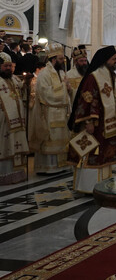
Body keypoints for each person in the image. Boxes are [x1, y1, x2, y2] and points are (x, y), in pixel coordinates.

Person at [67, 46, 116, 193]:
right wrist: (89, 121)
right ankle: (89, 186)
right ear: (105, 60)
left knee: (105, 153)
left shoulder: (109, 75)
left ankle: (104, 184)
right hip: (95, 124)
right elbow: (87, 98)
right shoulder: (93, 76)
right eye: (114, 59)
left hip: (107, 123)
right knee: (93, 153)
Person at [31, 43, 71, 174]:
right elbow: (46, 94)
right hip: (49, 113)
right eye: (60, 59)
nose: (63, 61)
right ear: (53, 59)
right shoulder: (44, 74)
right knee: (50, 139)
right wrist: (64, 87)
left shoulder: (60, 72)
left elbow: (65, 91)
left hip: (61, 112)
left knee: (61, 138)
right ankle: (48, 167)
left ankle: (61, 166)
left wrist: (69, 89)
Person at [0, 52, 29, 185]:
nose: (8, 69)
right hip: (3, 120)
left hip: (17, 119)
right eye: (5, 66)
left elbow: (22, 90)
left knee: (15, 143)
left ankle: (16, 174)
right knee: (4, 145)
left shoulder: (14, 79)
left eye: (10, 66)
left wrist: (27, 81)